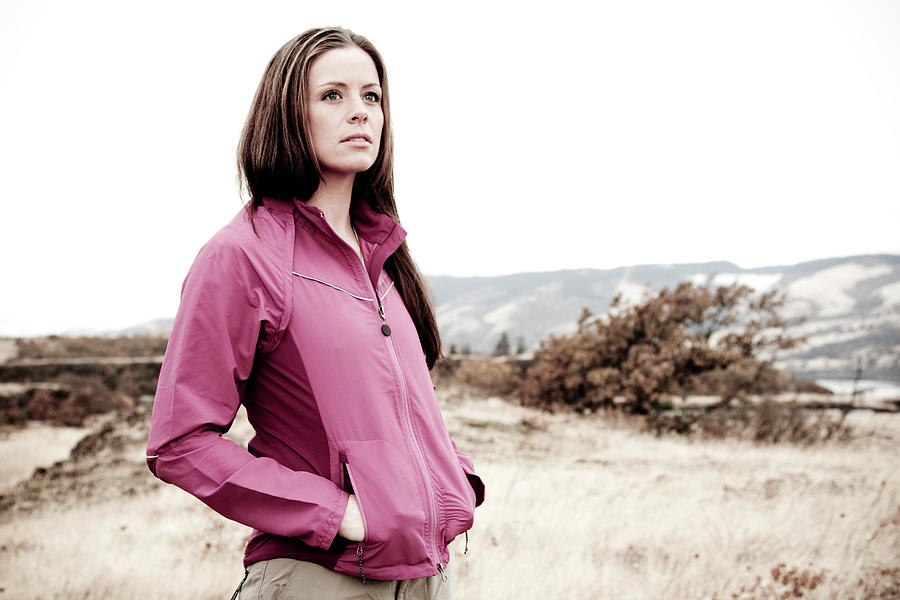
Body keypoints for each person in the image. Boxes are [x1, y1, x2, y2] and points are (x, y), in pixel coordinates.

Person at [145, 27, 485, 600]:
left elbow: (398, 407)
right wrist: (341, 513)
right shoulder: (242, 256)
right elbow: (179, 442)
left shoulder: (385, 257)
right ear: (287, 115)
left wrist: (454, 480)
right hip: (318, 580)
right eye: (333, 96)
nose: (361, 113)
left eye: (372, 97)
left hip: (429, 579)